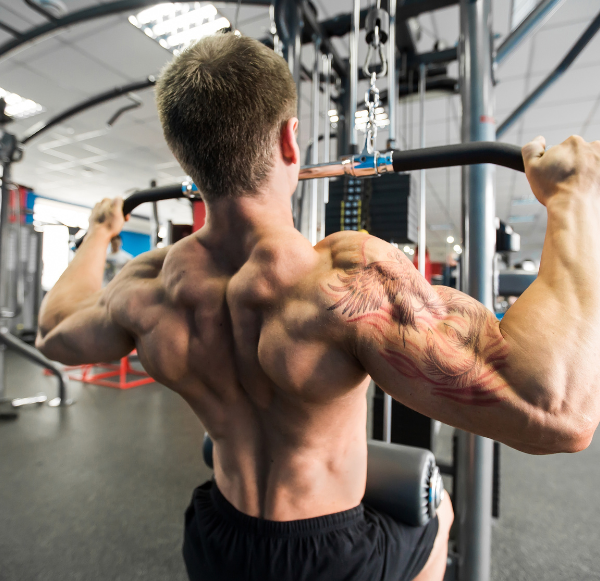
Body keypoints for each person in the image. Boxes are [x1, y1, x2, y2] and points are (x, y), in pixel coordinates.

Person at [35, 33, 600, 581]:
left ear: (187, 160)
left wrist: (99, 233)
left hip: (214, 537)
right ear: (290, 140)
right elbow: (556, 413)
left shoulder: (148, 286)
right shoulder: (346, 278)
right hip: (331, 556)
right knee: (441, 512)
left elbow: (55, 330)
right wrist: (574, 204)